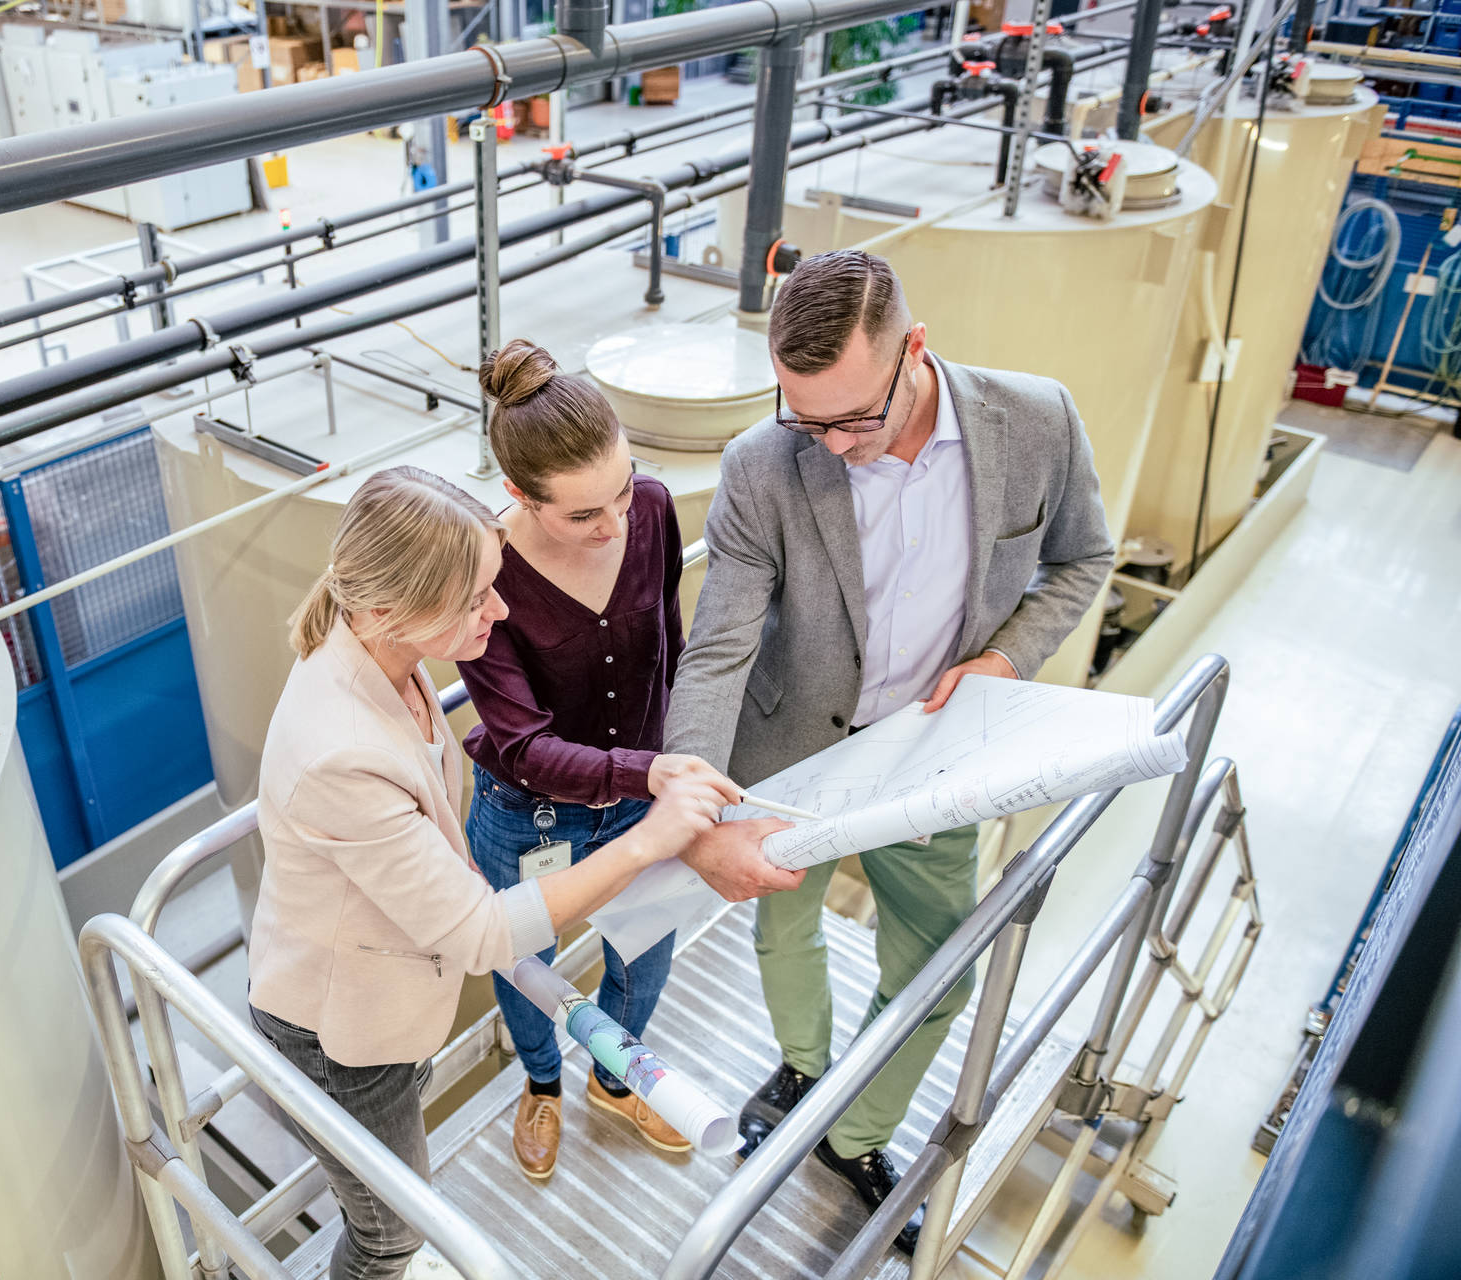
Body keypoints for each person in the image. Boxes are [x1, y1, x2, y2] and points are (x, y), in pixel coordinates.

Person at [665, 249, 1114, 1253]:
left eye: (854, 419)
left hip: (931, 757)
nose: (833, 445)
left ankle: (853, 1132)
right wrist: (690, 798)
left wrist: (1005, 654)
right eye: (805, 418)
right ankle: (803, 1061)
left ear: (917, 349)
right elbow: (720, 644)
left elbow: (1085, 556)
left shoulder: (1035, 419)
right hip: (788, 751)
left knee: (940, 967)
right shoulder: (760, 464)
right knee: (784, 933)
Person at [246, 464, 761, 1280]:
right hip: (338, 1031)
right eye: (478, 599)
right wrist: (648, 839)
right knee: (390, 1235)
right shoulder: (338, 750)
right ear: (391, 610)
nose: (502, 609)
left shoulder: (385, 659)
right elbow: (486, 933)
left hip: (395, 987)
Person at [455, 339, 750, 1180]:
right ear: (517, 493)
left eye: (620, 490)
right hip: (527, 813)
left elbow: (673, 644)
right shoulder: (484, 571)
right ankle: (542, 1081)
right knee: (525, 964)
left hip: (643, 791)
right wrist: (649, 773)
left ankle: (617, 1083)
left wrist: (673, 763)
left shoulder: (654, 508)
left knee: (647, 946)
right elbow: (521, 744)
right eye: (583, 513)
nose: (614, 523)